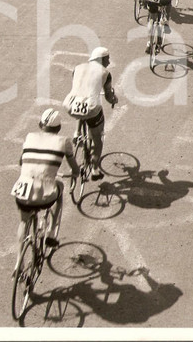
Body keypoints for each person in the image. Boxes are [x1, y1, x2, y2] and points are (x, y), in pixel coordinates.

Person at [11, 109, 79, 262]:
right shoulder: (64, 141)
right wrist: (75, 173)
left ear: (40, 124)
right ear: (59, 128)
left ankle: (18, 264)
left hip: (23, 191)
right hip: (45, 195)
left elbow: (21, 162)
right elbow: (75, 168)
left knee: (23, 221)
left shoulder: (29, 137)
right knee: (60, 188)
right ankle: (52, 234)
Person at [62, 47, 118, 180]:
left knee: (81, 106)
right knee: (97, 139)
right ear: (101, 59)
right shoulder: (105, 73)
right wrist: (114, 99)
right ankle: (95, 169)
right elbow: (108, 96)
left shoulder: (77, 68)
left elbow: (80, 88)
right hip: (91, 109)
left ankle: (77, 133)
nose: (108, 62)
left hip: (70, 104)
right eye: (107, 59)